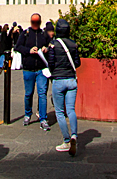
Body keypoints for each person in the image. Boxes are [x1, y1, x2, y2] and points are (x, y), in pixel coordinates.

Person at [47, 18, 81, 155]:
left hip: (58, 81)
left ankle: (66, 141)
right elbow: (77, 63)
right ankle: (74, 135)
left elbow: (50, 63)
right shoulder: (74, 44)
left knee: (60, 112)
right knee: (71, 110)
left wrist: (54, 70)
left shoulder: (53, 44)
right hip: (71, 80)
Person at [15, 13, 50, 130]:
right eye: (33, 22)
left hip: (41, 69)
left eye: (37, 22)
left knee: (42, 93)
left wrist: (46, 48)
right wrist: (29, 51)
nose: (35, 24)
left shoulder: (43, 34)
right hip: (28, 69)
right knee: (29, 93)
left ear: (40, 22)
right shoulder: (25, 34)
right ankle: (27, 114)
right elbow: (18, 47)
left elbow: (51, 45)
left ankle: (43, 118)